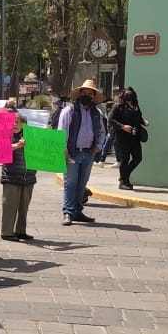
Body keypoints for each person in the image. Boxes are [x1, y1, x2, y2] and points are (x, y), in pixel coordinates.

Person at [57, 80, 106, 225]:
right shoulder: (69, 110)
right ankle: (68, 212)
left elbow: (102, 131)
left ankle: (77, 211)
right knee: (70, 183)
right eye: (84, 93)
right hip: (72, 152)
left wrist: (99, 146)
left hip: (88, 153)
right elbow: (62, 130)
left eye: (90, 93)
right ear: (79, 94)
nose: (87, 95)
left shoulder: (96, 113)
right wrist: (64, 149)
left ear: (93, 96)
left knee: (81, 183)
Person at [0, 110, 37, 241]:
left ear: (24, 124)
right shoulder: (5, 136)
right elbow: (0, 149)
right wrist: (16, 146)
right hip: (11, 177)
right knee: (9, 206)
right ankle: (7, 232)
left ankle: (21, 231)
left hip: (28, 177)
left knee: (23, 207)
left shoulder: (31, 137)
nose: (15, 124)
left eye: (18, 122)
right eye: (12, 122)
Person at [108, 87, 148, 189]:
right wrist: (122, 126)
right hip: (123, 137)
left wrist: (143, 121)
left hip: (135, 136)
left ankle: (123, 177)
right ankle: (124, 181)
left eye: (131, 97)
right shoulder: (118, 106)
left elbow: (139, 117)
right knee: (125, 159)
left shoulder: (135, 106)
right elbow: (110, 119)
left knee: (138, 157)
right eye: (127, 97)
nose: (130, 99)